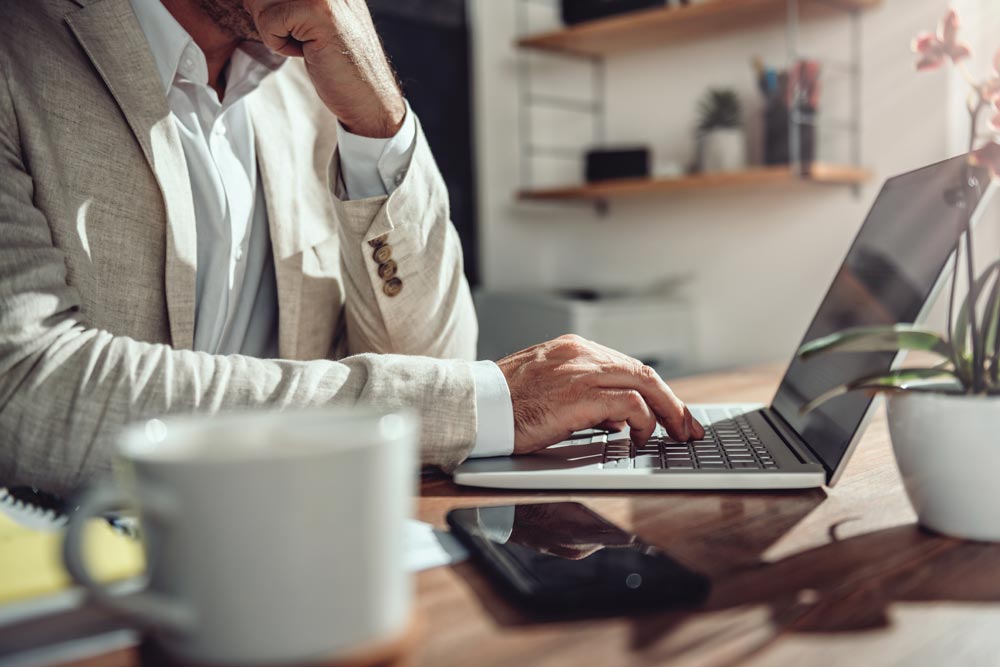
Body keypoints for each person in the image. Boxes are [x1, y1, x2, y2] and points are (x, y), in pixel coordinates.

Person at [0, 0, 703, 497]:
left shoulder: (310, 91)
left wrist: (380, 124)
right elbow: (24, 389)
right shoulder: (19, 43)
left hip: (307, 536)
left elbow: (431, 363)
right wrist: (485, 403)